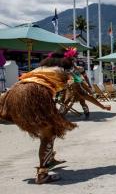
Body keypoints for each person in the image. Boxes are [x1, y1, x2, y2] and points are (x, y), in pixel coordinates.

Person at [0, 48, 78, 184]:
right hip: (35, 94)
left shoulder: (40, 68)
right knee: (50, 132)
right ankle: (43, 173)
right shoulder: (63, 71)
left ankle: (50, 159)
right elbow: (75, 83)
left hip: (15, 93)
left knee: (48, 128)